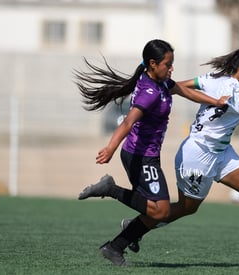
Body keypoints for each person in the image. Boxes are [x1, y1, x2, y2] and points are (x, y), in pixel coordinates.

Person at [75, 39, 227, 266]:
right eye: (168, 64)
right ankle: (111, 189)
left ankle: (114, 247)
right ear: (153, 64)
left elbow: (185, 91)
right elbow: (127, 123)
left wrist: (216, 102)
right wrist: (110, 147)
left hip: (147, 156)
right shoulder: (150, 92)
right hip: (139, 156)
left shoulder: (162, 83)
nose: (172, 68)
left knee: (153, 210)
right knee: (161, 211)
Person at [120, 44, 239, 255]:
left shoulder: (214, 79)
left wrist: (150, 90)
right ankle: (134, 229)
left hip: (221, 152)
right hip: (197, 155)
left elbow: (175, 86)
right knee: (186, 208)